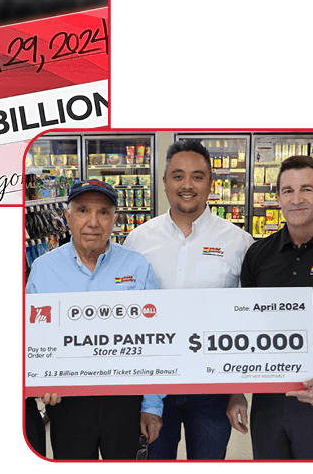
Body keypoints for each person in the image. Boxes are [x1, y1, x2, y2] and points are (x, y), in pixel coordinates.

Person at [122, 140, 253, 459]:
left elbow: (245, 320)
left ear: (210, 182)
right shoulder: (138, 240)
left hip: (212, 386)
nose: (187, 184)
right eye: (178, 175)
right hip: (153, 383)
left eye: (197, 176)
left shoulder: (238, 242)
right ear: (165, 182)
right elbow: (125, 313)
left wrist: (237, 390)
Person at [25, 178, 163, 460]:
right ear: (67, 216)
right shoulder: (43, 269)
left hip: (125, 401)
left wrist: (152, 406)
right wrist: (40, 383)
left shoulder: (138, 267)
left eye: (103, 212)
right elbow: (33, 337)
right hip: (68, 403)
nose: (93, 221)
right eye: (83, 210)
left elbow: (155, 342)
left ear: (115, 219)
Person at [234, 155, 313, 459]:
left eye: (307, 189)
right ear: (277, 198)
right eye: (287, 191)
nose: (296, 199)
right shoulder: (258, 254)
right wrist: (236, 391)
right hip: (268, 395)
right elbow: (244, 328)